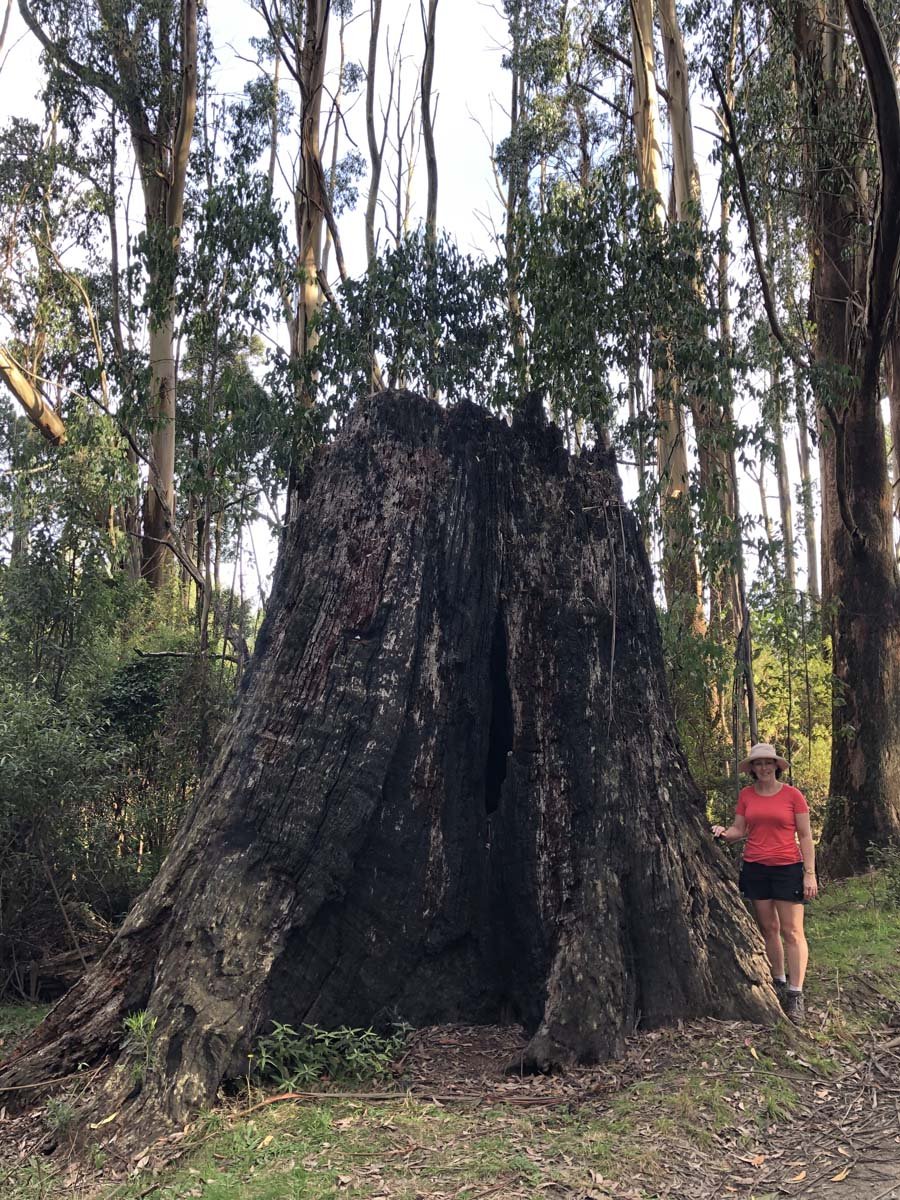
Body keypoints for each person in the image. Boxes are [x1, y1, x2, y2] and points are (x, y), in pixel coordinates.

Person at [712, 743, 817, 1024]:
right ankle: (779, 981)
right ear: (752, 769)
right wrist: (723, 833)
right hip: (756, 868)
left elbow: (806, 837)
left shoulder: (793, 796)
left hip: (788, 868)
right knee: (768, 928)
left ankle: (796, 993)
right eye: (758, 764)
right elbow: (739, 830)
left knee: (792, 931)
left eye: (768, 763)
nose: (763, 768)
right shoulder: (746, 795)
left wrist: (810, 873)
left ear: (777, 766)